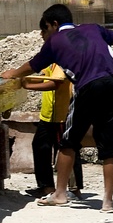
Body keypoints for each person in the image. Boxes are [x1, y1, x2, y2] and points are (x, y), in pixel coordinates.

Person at [0, 4, 113, 213]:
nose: (44, 35)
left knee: (68, 141)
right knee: (110, 146)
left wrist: (13, 73)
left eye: (45, 30)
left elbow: (33, 65)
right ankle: (108, 202)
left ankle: (60, 194)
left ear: (54, 24)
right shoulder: (93, 28)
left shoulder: (55, 42)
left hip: (87, 86)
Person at [22, 61, 84, 199]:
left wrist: (27, 85)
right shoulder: (51, 62)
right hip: (47, 115)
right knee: (40, 146)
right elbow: (43, 76)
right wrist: (20, 78)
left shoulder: (62, 62)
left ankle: (74, 189)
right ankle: (46, 187)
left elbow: (55, 83)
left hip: (60, 116)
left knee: (67, 149)